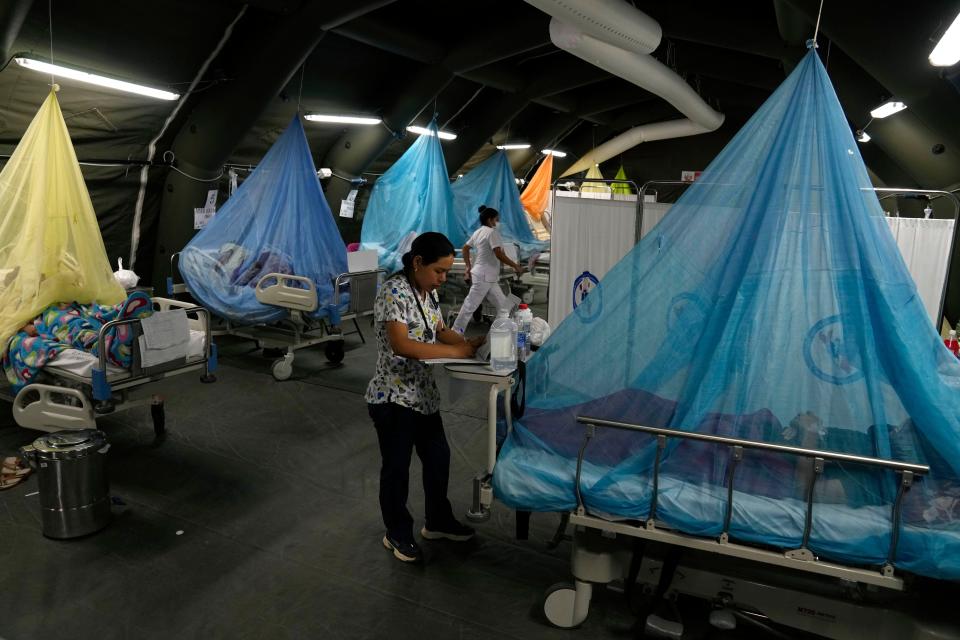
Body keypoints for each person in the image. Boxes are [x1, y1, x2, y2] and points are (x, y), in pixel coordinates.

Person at [365, 232, 486, 563]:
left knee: (438, 459)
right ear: (418, 262)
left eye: (447, 272)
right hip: (392, 398)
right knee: (397, 469)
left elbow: (439, 329)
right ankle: (397, 532)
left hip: (423, 397)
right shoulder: (393, 292)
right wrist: (454, 351)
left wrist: (468, 343)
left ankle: (438, 521)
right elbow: (401, 345)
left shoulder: (426, 292)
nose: (443, 279)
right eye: (439, 271)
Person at [452, 206, 523, 334]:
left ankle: (502, 332)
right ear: (490, 220)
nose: (497, 223)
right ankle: (456, 332)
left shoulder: (478, 232)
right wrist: (515, 265)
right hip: (484, 276)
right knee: (470, 306)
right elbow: (499, 254)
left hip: (487, 277)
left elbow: (465, 248)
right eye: (496, 220)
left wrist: (468, 266)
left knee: (504, 307)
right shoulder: (492, 233)